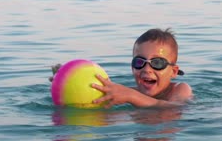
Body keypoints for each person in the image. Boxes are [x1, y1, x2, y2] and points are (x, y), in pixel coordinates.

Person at [51, 28, 193, 108]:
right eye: (139, 62)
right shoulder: (131, 92)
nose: (147, 69)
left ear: (173, 71)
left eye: (157, 63)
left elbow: (174, 108)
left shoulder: (180, 89)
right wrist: (66, 80)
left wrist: (131, 96)